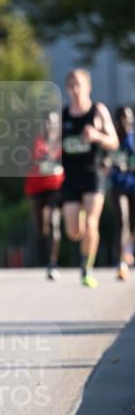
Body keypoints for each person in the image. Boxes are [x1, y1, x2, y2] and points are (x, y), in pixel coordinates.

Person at [60, 69, 119, 288]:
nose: (75, 90)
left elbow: (113, 141)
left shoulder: (98, 111)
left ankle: (87, 269)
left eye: (79, 85)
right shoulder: (63, 115)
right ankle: (83, 228)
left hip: (93, 175)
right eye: (71, 85)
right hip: (71, 177)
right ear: (67, 89)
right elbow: (52, 145)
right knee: (74, 232)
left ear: (88, 87)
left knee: (92, 223)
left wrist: (97, 136)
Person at [24, 110, 64, 279]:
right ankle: (43, 256)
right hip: (37, 188)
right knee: (42, 228)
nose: (50, 125)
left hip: (56, 186)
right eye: (47, 122)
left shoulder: (63, 143)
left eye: (53, 122)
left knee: (54, 223)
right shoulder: (35, 142)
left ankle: (52, 264)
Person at [109, 105, 135, 281]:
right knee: (122, 221)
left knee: (132, 225)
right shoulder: (111, 140)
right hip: (118, 187)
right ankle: (121, 263)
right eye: (122, 118)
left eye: (128, 117)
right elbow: (103, 158)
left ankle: (129, 253)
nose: (126, 121)